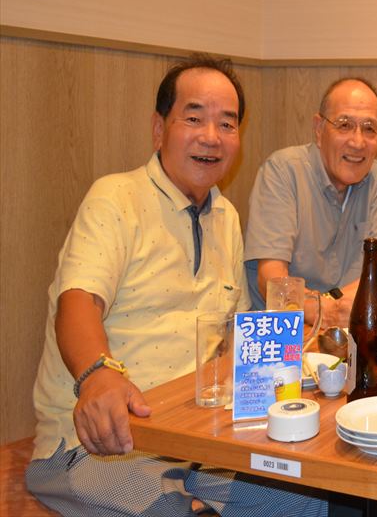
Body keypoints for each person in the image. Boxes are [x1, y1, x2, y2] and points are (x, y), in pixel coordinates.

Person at [27, 54, 327, 516]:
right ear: (158, 129)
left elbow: (234, 332)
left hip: (194, 439)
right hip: (100, 442)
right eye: (194, 118)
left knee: (303, 502)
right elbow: (79, 301)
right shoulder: (115, 198)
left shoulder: (225, 216)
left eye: (227, 124)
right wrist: (97, 375)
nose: (211, 136)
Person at [245, 77, 377, 326]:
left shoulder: (376, 176)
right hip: (284, 330)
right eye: (344, 125)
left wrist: (332, 305)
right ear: (318, 129)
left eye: (369, 128)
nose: (358, 141)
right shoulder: (283, 170)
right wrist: (325, 309)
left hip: (343, 324)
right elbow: (271, 281)